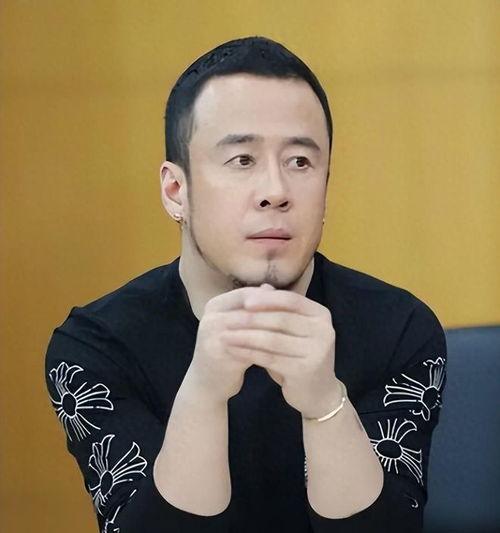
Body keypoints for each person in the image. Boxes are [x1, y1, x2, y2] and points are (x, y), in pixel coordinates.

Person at [45, 36, 447, 533]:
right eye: (242, 160)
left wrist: (325, 403)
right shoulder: (96, 346)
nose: (276, 192)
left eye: (300, 162)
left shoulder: (400, 329)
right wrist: (204, 392)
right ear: (176, 190)